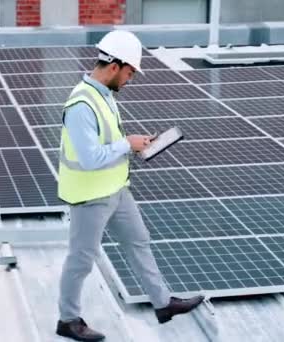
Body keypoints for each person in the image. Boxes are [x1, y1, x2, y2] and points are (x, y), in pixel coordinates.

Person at [55, 30, 204, 342]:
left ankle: (163, 304)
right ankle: (68, 320)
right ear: (114, 67)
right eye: (129, 73)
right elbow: (90, 157)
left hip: (116, 189)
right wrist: (127, 144)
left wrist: (136, 144)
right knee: (81, 259)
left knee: (139, 241)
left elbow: (110, 142)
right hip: (89, 196)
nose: (129, 80)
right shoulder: (81, 104)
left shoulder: (104, 94)